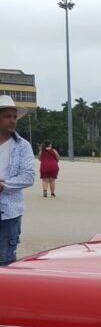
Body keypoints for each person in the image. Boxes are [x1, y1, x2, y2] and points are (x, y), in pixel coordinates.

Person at [0, 95, 36, 266]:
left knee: (5, 260)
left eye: (14, 117)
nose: (12, 120)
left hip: (9, 212)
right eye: (7, 116)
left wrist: (4, 185)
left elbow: (28, 176)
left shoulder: (23, 146)